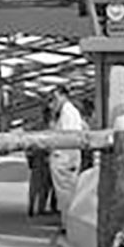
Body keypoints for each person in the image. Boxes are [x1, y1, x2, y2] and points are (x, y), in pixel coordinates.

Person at [46, 86, 84, 231]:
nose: (54, 102)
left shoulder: (68, 112)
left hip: (65, 157)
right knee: (66, 191)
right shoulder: (68, 111)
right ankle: (66, 222)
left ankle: (68, 224)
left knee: (65, 191)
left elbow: (66, 137)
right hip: (67, 156)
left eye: (56, 98)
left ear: (64, 96)